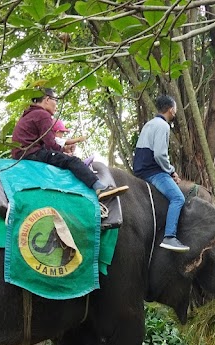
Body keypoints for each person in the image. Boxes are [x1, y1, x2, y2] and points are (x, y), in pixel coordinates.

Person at [11, 87, 127, 200]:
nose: (56, 105)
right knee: (73, 161)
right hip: (32, 154)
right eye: (55, 100)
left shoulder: (29, 114)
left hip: (22, 154)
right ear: (47, 99)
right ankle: (99, 187)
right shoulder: (43, 115)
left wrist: (63, 149)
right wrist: (64, 152)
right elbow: (50, 144)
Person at [133, 94, 189, 252]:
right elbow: (159, 155)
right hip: (152, 171)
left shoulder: (149, 124)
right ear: (171, 109)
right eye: (175, 108)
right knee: (178, 198)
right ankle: (170, 237)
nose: (176, 112)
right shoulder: (163, 126)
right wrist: (171, 171)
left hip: (140, 169)